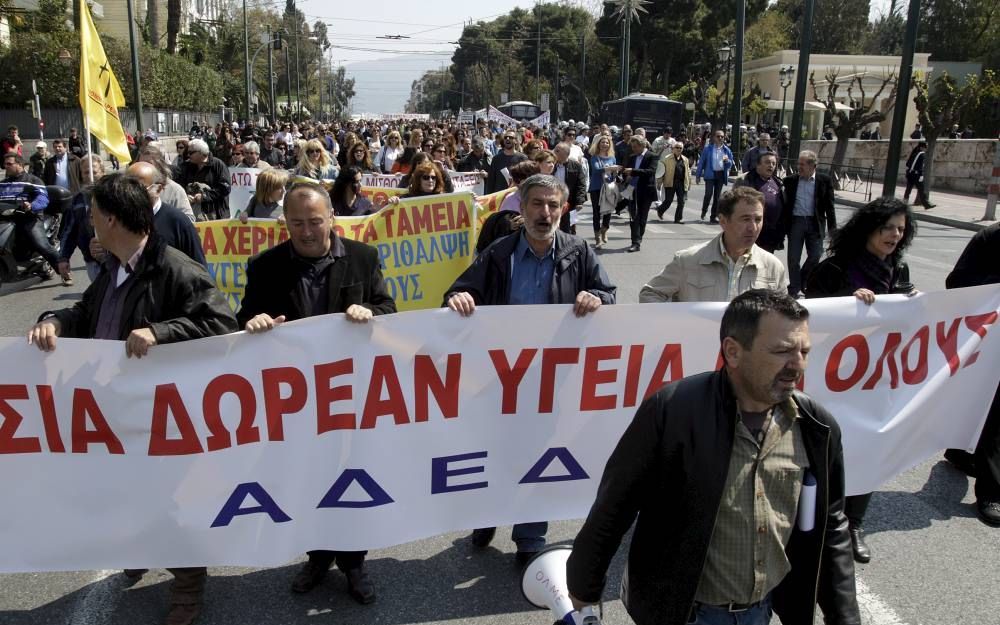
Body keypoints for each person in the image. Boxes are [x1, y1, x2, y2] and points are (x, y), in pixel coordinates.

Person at [567, 288, 860, 625]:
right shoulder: (673, 411)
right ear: (733, 352)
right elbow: (614, 504)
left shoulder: (816, 427)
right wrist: (584, 586)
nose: (797, 365)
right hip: (683, 614)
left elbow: (832, 523)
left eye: (804, 350)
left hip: (761, 611)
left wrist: (845, 617)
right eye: (782, 351)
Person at [26, 173, 237, 625]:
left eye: (95, 216)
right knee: (121, 490)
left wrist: (161, 332)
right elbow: (88, 311)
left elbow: (222, 324)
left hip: (160, 414)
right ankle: (140, 548)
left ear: (115, 220)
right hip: (114, 406)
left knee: (167, 499)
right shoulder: (116, 268)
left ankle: (187, 582)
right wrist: (57, 322)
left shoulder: (175, 269)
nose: (89, 226)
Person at [236, 182, 395, 607]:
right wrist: (255, 322)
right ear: (285, 223)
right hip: (294, 401)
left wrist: (370, 314)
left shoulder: (363, 258)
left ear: (332, 220)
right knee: (305, 478)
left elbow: (387, 310)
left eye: (315, 222)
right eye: (297, 223)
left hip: (349, 397)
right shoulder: (265, 266)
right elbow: (244, 318)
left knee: (350, 476)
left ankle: (355, 562)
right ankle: (317, 555)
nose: (306, 231)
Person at [443, 174, 616, 564]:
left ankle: (530, 539)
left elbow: (609, 294)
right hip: (500, 380)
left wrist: (597, 297)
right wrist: (461, 298)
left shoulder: (578, 251)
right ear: (521, 209)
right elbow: (457, 292)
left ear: (564, 209)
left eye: (553, 205)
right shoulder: (499, 253)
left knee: (541, 456)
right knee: (497, 451)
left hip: (553, 380)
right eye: (537, 204)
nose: (545, 212)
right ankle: (488, 513)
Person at [804, 197, 917, 563]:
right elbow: (809, 318)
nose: (894, 235)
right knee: (824, 448)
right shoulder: (832, 270)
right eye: (887, 228)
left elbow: (908, 324)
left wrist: (911, 303)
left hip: (877, 380)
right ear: (868, 229)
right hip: (831, 380)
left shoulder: (898, 273)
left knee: (869, 444)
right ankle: (815, 519)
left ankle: (854, 523)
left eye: (900, 229)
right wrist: (847, 304)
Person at [640, 186, 788, 302]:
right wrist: (677, 326)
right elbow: (650, 294)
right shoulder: (687, 261)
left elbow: (784, 316)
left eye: (757, 219)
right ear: (723, 221)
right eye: (745, 219)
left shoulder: (773, 267)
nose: (753, 227)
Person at [944, 222, 1000, 527]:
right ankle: (991, 493)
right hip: (985, 339)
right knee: (988, 408)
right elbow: (957, 282)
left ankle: (961, 451)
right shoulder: (989, 238)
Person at [126, 161, 207, 266]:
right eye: (126, 188)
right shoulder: (119, 220)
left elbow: (199, 271)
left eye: (139, 189)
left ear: (158, 189)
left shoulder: (179, 223)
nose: (131, 194)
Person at [783, 150, 836, 298]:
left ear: (813, 165)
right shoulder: (790, 181)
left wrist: (833, 230)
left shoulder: (824, 181)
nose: (799, 167)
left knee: (815, 256)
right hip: (796, 222)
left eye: (802, 164)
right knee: (793, 258)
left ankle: (802, 280)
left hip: (815, 223)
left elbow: (829, 207)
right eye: (798, 163)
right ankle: (794, 287)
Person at [1, 152, 59, 281]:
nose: (6, 167)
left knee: (41, 244)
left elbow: (43, 198)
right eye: (5, 164)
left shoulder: (33, 180)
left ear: (20, 164)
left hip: (30, 218)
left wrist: (31, 205)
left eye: (9, 164)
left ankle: (63, 271)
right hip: (7, 219)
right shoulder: (3, 184)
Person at [59, 154, 105, 283]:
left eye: (94, 172)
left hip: (117, 259)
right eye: (86, 172)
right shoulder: (77, 200)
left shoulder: (116, 194)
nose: (90, 176)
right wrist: (64, 258)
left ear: (102, 171)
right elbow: (70, 231)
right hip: (92, 262)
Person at [735, 152, 785, 253]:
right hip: (751, 229)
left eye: (773, 163)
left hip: (771, 232)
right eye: (767, 162)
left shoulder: (778, 182)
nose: (771, 166)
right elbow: (734, 203)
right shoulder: (745, 180)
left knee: (766, 262)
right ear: (758, 164)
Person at [136, 145, 196, 222]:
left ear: (159, 165)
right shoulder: (132, 188)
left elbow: (189, 220)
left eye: (149, 164)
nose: (144, 168)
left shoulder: (175, 190)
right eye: (141, 164)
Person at [177, 139, 231, 221]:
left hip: (216, 215)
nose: (188, 155)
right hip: (192, 215)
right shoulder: (186, 166)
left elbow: (225, 188)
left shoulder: (218, 165)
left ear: (201, 153)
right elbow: (179, 185)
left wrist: (204, 196)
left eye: (191, 153)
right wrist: (185, 196)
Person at [622, 136, 657, 252]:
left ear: (643, 146)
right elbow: (627, 173)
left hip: (646, 190)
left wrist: (633, 171)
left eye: (636, 147)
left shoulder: (652, 156)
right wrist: (624, 176)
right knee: (634, 217)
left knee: (642, 217)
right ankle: (635, 242)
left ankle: (639, 238)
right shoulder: (632, 157)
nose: (634, 149)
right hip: (633, 190)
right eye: (632, 147)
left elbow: (650, 172)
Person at [696, 129, 736, 224]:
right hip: (710, 174)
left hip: (720, 175)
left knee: (717, 197)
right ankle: (704, 211)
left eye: (722, 137)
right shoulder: (708, 149)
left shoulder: (726, 150)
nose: (720, 138)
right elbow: (701, 162)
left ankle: (713, 216)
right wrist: (698, 175)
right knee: (708, 194)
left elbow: (730, 164)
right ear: (714, 138)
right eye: (718, 136)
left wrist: (727, 162)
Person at [587, 135, 618, 247]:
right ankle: (597, 238)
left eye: (607, 143)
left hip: (609, 187)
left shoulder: (612, 157)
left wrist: (616, 172)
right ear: (598, 144)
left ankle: (604, 229)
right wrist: (610, 168)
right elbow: (596, 170)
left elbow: (614, 173)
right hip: (596, 187)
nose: (605, 144)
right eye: (602, 142)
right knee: (596, 212)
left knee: (608, 210)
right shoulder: (594, 157)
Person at [553, 142, 588, 236]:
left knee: (568, 227)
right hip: (553, 200)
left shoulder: (576, 166)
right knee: (553, 225)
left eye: (557, 151)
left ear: (566, 154)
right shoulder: (551, 165)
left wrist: (579, 201)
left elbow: (581, 184)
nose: (553, 152)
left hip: (569, 201)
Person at [654, 141, 691, 224]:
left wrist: (689, 183)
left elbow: (688, 172)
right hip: (670, 182)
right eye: (677, 147)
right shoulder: (667, 158)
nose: (679, 149)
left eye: (680, 148)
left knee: (681, 201)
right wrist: (659, 182)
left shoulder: (685, 159)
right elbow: (661, 170)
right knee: (668, 200)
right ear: (673, 149)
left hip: (681, 183)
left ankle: (678, 219)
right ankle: (660, 210)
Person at [903, 142, 935, 209]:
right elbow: (920, 166)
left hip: (910, 174)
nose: (926, 149)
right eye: (925, 147)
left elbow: (907, 164)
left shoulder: (914, 153)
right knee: (921, 189)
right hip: (916, 175)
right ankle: (926, 204)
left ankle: (904, 203)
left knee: (908, 189)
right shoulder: (921, 154)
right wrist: (921, 175)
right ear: (921, 147)